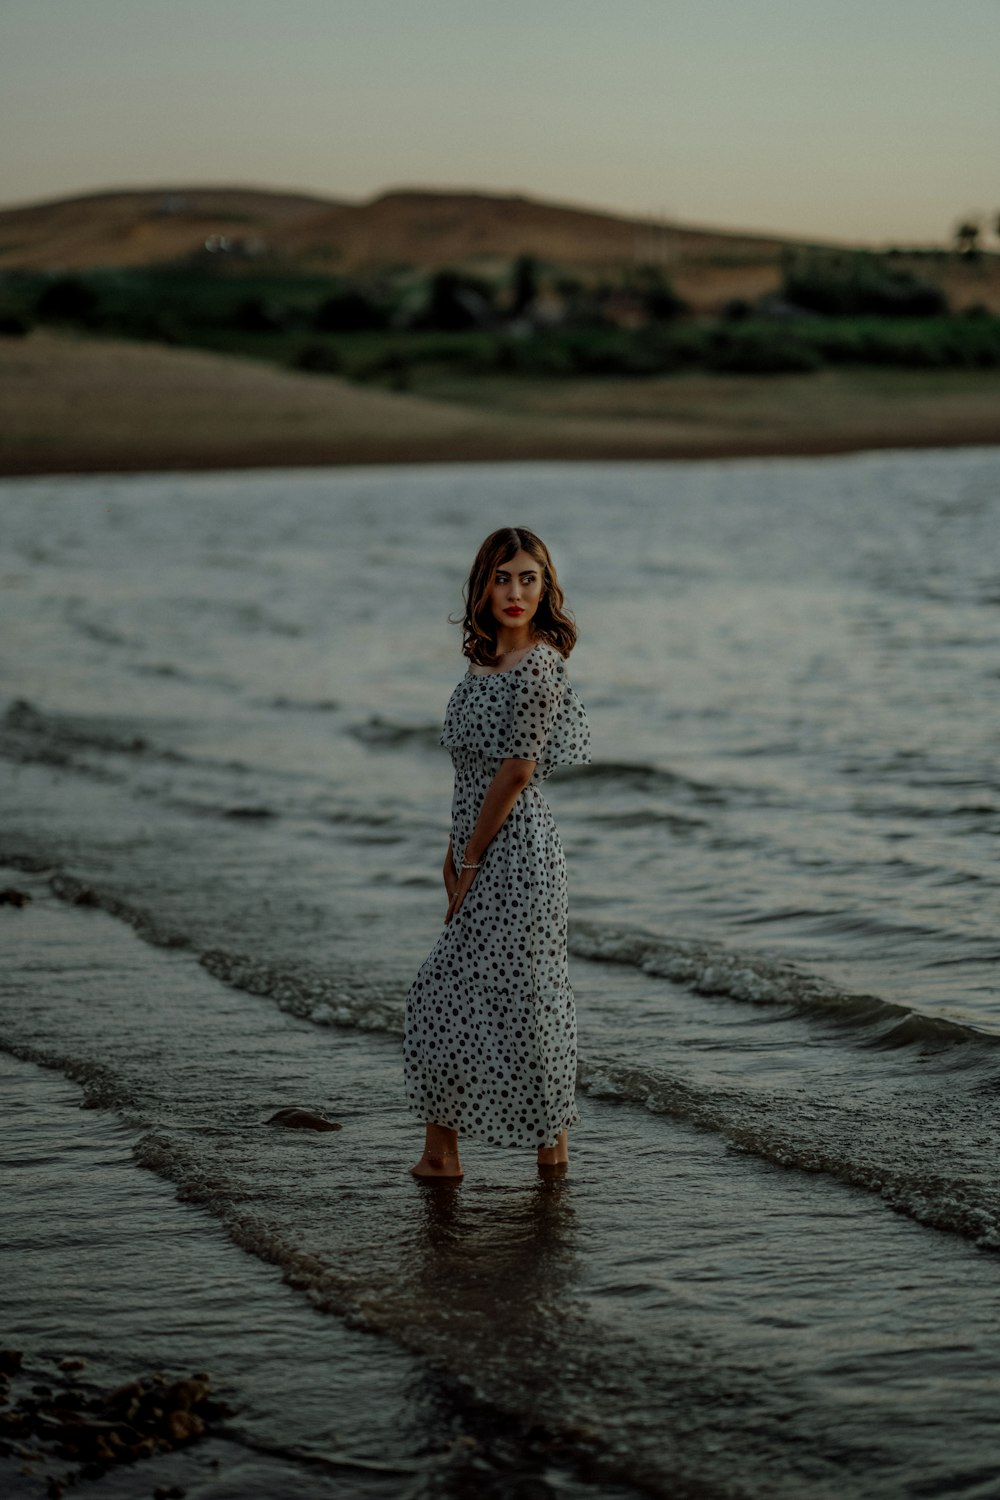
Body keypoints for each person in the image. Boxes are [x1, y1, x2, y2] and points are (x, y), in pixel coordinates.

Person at [403, 527, 591, 1181]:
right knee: (461, 995)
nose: (516, 592)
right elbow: (471, 773)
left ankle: (547, 1151)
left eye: (529, 578)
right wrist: (451, 851)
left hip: (520, 861)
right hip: (479, 849)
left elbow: (516, 771)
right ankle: (447, 1153)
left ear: (546, 589)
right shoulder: (483, 663)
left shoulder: (541, 665)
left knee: (510, 999)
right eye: (503, 577)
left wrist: (473, 858)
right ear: (483, 585)